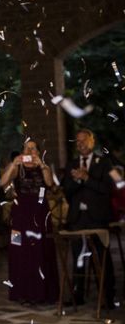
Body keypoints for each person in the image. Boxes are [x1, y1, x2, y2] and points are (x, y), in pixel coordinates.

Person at [0, 140, 59, 304]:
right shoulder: (18, 167)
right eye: (27, 148)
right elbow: (2, 182)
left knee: (40, 250)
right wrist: (13, 164)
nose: (30, 150)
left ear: (39, 152)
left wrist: (42, 165)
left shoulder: (44, 167)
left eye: (33, 148)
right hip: (19, 215)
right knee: (18, 249)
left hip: (40, 212)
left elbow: (49, 183)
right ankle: (22, 292)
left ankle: (42, 292)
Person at [62, 129, 115, 308]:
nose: (80, 144)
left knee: (102, 258)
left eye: (84, 140)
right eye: (77, 142)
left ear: (92, 141)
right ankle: (77, 295)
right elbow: (66, 191)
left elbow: (108, 189)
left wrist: (87, 178)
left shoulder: (104, 163)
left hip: (97, 218)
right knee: (78, 258)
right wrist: (77, 181)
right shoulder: (72, 164)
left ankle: (108, 296)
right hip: (77, 218)